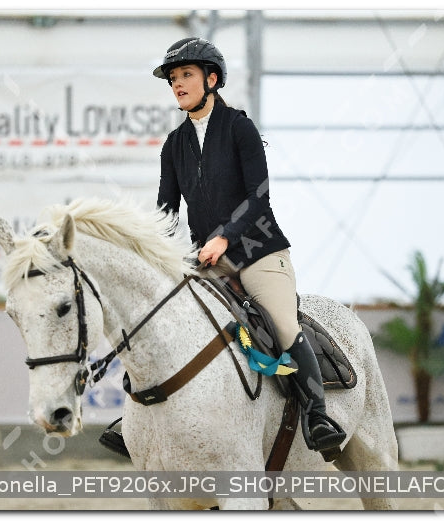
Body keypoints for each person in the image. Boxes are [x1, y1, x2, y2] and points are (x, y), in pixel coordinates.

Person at [154, 37, 345, 452]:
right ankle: (142, 417)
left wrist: (223, 236)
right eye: (173, 79)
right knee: (165, 317)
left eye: (186, 75)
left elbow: (259, 197)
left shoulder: (240, 128)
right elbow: (166, 211)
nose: (177, 84)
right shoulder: (173, 145)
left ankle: (317, 416)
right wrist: (157, 253)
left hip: (259, 250)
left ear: (212, 79)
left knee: (283, 324)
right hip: (208, 258)